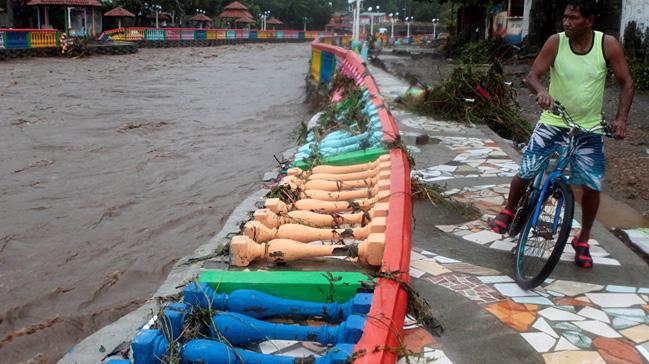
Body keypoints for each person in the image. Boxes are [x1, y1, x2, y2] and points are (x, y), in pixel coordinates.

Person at [490, 0, 634, 268]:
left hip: (589, 128)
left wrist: (621, 119)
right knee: (528, 169)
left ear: (589, 21)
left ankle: (583, 239)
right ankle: (509, 210)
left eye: (574, 18)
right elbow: (532, 75)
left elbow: (627, 83)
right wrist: (542, 92)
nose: (566, 22)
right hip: (554, 121)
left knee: (591, 186)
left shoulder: (607, 45)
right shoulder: (556, 42)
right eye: (565, 17)